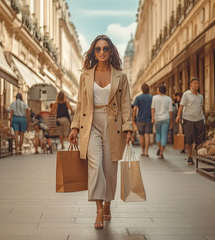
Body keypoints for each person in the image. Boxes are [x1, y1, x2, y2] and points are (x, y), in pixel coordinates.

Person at [68, 35, 133, 229]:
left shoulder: (121, 77)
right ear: (93, 52)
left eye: (105, 48)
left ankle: (107, 204)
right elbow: (80, 104)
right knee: (95, 166)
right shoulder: (85, 75)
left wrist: (128, 128)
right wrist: (74, 127)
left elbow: (125, 104)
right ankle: (98, 209)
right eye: (98, 49)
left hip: (114, 125)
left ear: (111, 51)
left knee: (109, 168)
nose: (102, 52)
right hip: (91, 124)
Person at [176, 77, 206, 165]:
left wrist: (203, 118)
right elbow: (181, 106)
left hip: (199, 119)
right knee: (189, 139)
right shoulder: (186, 94)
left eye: (198, 83)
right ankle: (189, 156)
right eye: (195, 83)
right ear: (191, 85)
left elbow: (201, 107)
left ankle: (199, 156)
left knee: (200, 140)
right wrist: (178, 116)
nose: (197, 85)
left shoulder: (200, 96)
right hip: (188, 119)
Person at [151, 85, 173, 159]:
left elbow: (152, 108)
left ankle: (159, 148)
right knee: (164, 135)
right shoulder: (168, 99)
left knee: (158, 134)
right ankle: (161, 152)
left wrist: (153, 118)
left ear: (159, 90)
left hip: (157, 118)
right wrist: (171, 121)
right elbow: (170, 111)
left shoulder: (155, 98)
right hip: (166, 118)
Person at [133, 83, 153, 157]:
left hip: (140, 119)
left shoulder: (138, 98)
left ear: (142, 89)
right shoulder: (151, 97)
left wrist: (133, 120)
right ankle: (147, 152)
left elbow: (135, 109)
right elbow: (153, 109)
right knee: (147, 135)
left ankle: (142, 151)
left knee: (141, 135)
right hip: (149, 119)